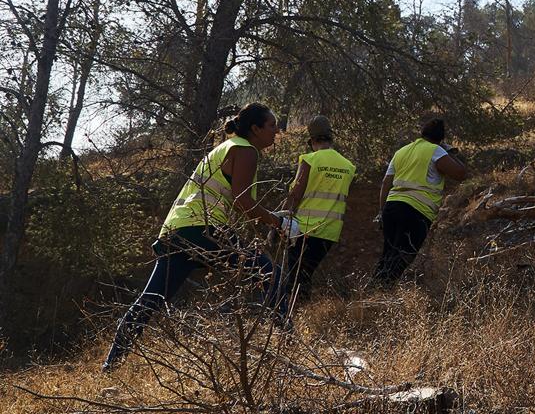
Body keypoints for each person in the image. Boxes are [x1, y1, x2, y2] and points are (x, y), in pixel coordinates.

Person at [103, 102, 294, 371]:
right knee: (269, 274)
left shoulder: (225, 148)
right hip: (202, 228)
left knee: (150, 300)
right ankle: (289, 347)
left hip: (177, 229)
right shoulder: (246, 150)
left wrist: (271, 216)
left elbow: (235, 199)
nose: (277, 131)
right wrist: (279, 222)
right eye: (272, 126)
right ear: (255, 129)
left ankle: (111, 364)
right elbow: (242, 200)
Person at [268, 115, 355, 318]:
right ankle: (303, 317)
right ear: (331, 138)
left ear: (311, 141)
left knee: (295, 276)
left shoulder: (310, 159)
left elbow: (295, 195)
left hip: (303, 229)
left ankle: (289, 319)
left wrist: (278, 223)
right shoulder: (348, 166)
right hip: (330, 232)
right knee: (305, 274)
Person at [374, 117, 468, 284]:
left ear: (422, 133)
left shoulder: (401, 151)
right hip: (416, 212)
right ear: (440, 139)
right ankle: (383, 290)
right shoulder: (436, 151)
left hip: (391, 208)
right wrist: (447, 152)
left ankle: (374, 290)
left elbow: (385, 183)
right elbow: (461, 174)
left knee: (388, 253)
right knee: (404, 255)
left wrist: (382, 212)